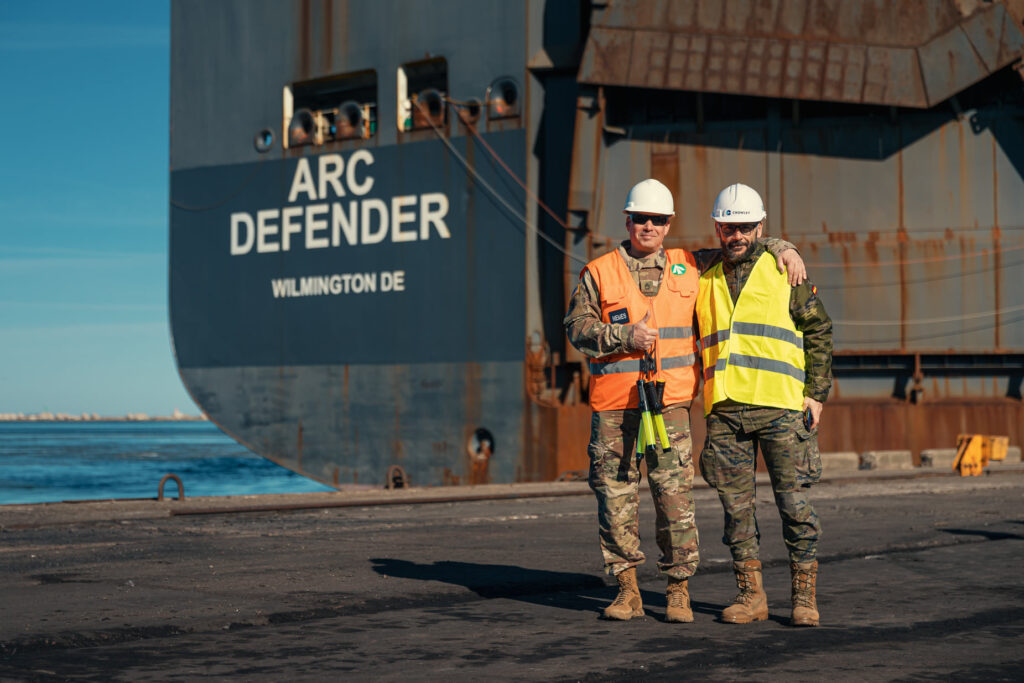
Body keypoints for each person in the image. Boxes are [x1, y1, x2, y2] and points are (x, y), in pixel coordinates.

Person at [563, 179, 805, 623]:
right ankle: (627, 591)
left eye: (657, 219)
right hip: (615, 407)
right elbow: (576, 327)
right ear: (628, 221)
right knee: (615, 499)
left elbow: (742, 244)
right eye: (641, 218)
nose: (649, 226)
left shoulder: (690, 265)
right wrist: (623, 335)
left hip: (669, 405)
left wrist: (783, 247)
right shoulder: (598, 272)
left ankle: (678, 591)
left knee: (674, 501)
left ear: (669, 224)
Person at [696, 182, 833, 627]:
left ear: (760, 227)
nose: (736, 235)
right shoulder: (702, 273)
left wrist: (816, 393)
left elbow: (819, 330)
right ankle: (750, 597)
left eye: (746, 227)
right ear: (717, 228)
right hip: (726, 411)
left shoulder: (784, 271)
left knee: (795, 508)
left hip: (780, 409)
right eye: (728, 227)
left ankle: (804, 598)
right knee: (737, 512)